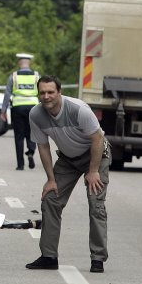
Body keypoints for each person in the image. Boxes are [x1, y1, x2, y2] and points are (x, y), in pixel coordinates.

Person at [26, 75, 110, 273]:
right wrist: (51, 179)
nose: (46, 97)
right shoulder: (36, 114)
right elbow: (43, 146)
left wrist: (93, 171)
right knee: (51, 200)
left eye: (51, 92)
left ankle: (97, 259)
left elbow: (97, 139)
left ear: (59, 92)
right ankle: (48, 257)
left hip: (96, 156)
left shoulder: (78, 109)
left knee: (95, 203)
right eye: (42, 93)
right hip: (68, 159)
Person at [0, 53, 40, 171]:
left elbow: (7, 93)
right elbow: (43, 92)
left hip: (17, 107)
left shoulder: (14, 76)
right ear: (29, 63)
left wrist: (3, 111)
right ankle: (31, 151)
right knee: (31, 132)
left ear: (19, 63)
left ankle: (20, 164)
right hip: (33, 107)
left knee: (19, 136)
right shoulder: (37, 76)